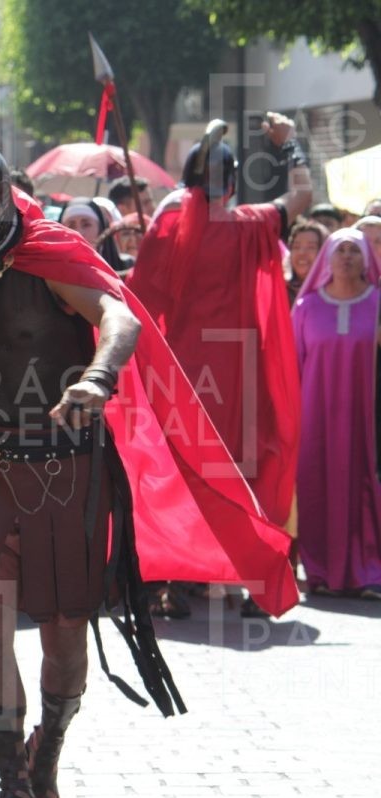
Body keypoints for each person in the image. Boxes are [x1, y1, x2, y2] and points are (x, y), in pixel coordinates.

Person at [0, 111, 298, 798]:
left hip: (68, 475)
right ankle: (11, 781)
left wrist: (97, 377)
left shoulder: (46, 258)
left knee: (64, 643)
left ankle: (47, 748)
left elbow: (119, 317)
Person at [129, 114, 311, 531]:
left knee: (182, 468)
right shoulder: (250, 225)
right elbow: (303, 193)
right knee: (237, 468)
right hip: (238, 377)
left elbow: (139, 298)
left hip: (180, 376)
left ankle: (178, 577)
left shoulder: (166, 227)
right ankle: (231, 577)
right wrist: (289, 144)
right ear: (230, 184)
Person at [292, 228, 381, 598]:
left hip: (367, 417)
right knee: (317, 486)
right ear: (327, 259)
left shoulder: (378, 302)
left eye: (354, 250)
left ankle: (369, 571)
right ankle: (321, 571)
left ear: (366, 259)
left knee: (365, 487)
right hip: (316, 418)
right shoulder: (306, 308)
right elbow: (291, 366)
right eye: (340, 250)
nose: (347, 257)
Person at [286, 219, 329, 305]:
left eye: (311, 247)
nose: (301, 253)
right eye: (296, 247)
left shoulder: (334, 293)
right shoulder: (280, 291)